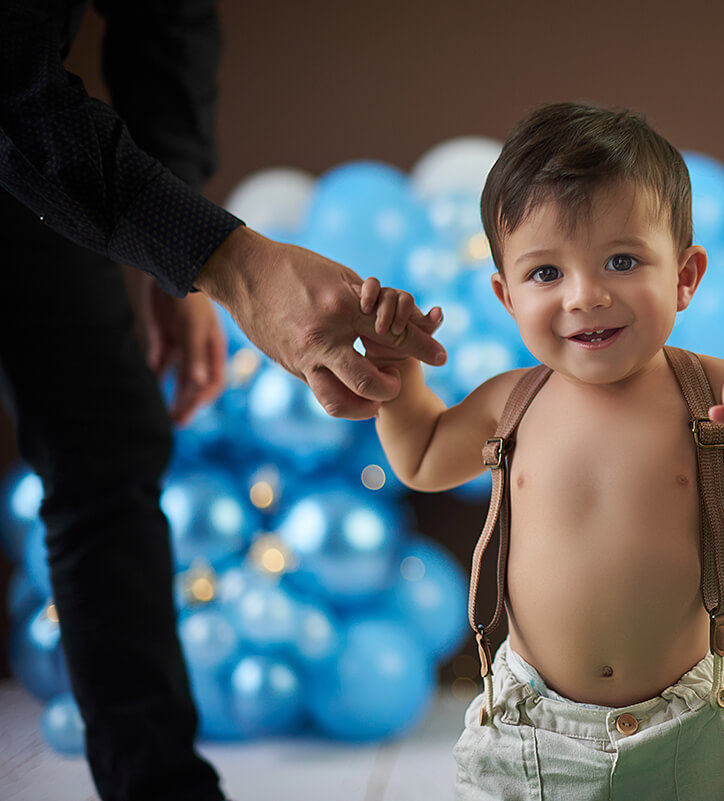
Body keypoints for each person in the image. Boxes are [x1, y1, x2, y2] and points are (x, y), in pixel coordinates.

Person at [361, 101, 724, 799]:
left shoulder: (712, 390)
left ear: (685, 276)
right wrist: (397, 376)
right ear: (506, 297)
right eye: (546, 274)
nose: (585, 295)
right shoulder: (512, 401)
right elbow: (419, 457)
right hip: (528, 726)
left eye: (622, 260)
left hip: (681, 728)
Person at [0, 2, 442, 800]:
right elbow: (8, 86)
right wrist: (224, 259)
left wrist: (180, 257)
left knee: (107, 446)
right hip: (22, 118)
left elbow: (165, 20)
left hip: (35, 162)